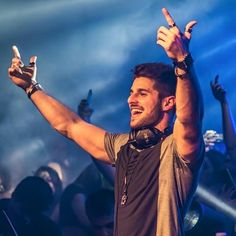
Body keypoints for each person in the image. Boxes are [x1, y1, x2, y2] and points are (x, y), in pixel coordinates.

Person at [8, 8, 204, 236]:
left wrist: (182, 61)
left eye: (141, 93)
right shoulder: (124, 147)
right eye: (131, 93)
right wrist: (31, 87)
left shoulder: (176, 150)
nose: (130, 100)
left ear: (168, 103)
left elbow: (191, 121)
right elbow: (71, 126)